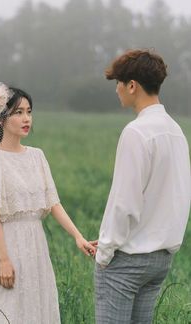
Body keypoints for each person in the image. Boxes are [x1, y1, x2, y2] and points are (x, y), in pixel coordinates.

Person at [0, 82, 96, 324]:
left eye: (29, 112)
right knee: (7, 310)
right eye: (18, 112)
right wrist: (3, 260)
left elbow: (53, 203)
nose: (26, 119)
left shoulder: (37, 156)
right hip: (7, 245)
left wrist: (78, 237)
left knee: (37, 309)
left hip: (36, 247)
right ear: (1, 119)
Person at [94, 49, 191, 324]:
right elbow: (179, 195)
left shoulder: (136, 132)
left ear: (132, 85)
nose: (117, 90)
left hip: (127, 261)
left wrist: (105, 252)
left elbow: (124, 203)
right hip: (160, 259)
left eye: (119, 83)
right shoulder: (176, 132)